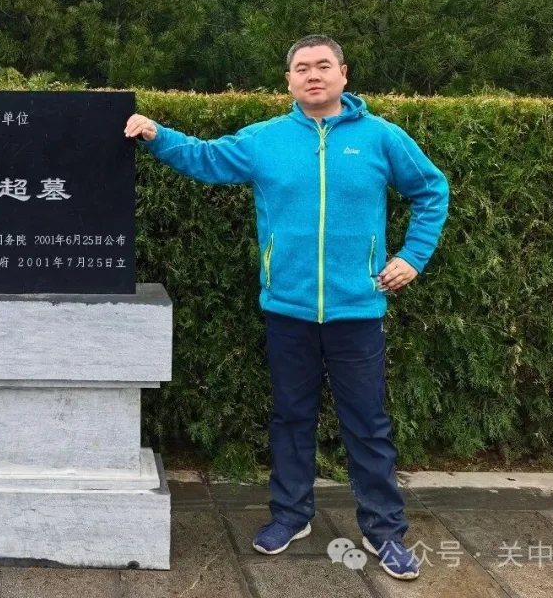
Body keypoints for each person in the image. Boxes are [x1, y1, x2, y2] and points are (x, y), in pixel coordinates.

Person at [124, 35, 449, 581]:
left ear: (344, 74)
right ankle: (292, 515)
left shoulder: (381, 138)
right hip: (288, 310)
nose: (313, 75)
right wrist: (157, 134)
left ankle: (383, 530)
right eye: (302, 68)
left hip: (357, 311)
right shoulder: (266, 140)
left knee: (367, 425)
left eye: (323, 65)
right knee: (291, 417)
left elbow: (431, 191)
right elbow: (205, 158)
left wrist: (413, 256)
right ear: (289, 81)